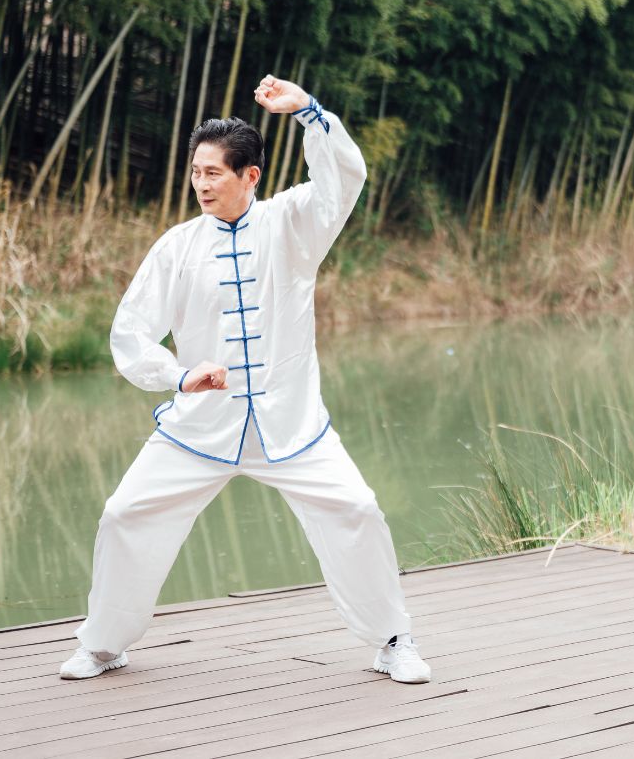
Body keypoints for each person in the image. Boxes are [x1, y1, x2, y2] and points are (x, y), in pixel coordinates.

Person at [59, 74, 430, 684]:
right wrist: (179, 377)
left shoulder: (294, 226)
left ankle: (392, 640)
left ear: (249, 176)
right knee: (125, 513)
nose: (201, 184)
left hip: (291, 425)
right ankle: (103, 644)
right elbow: (129, 333)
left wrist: (309, 112)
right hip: (199, 429)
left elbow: (343, 181)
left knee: (358, 510)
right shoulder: (176, 248)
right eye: (196, 172)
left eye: (214, 173)